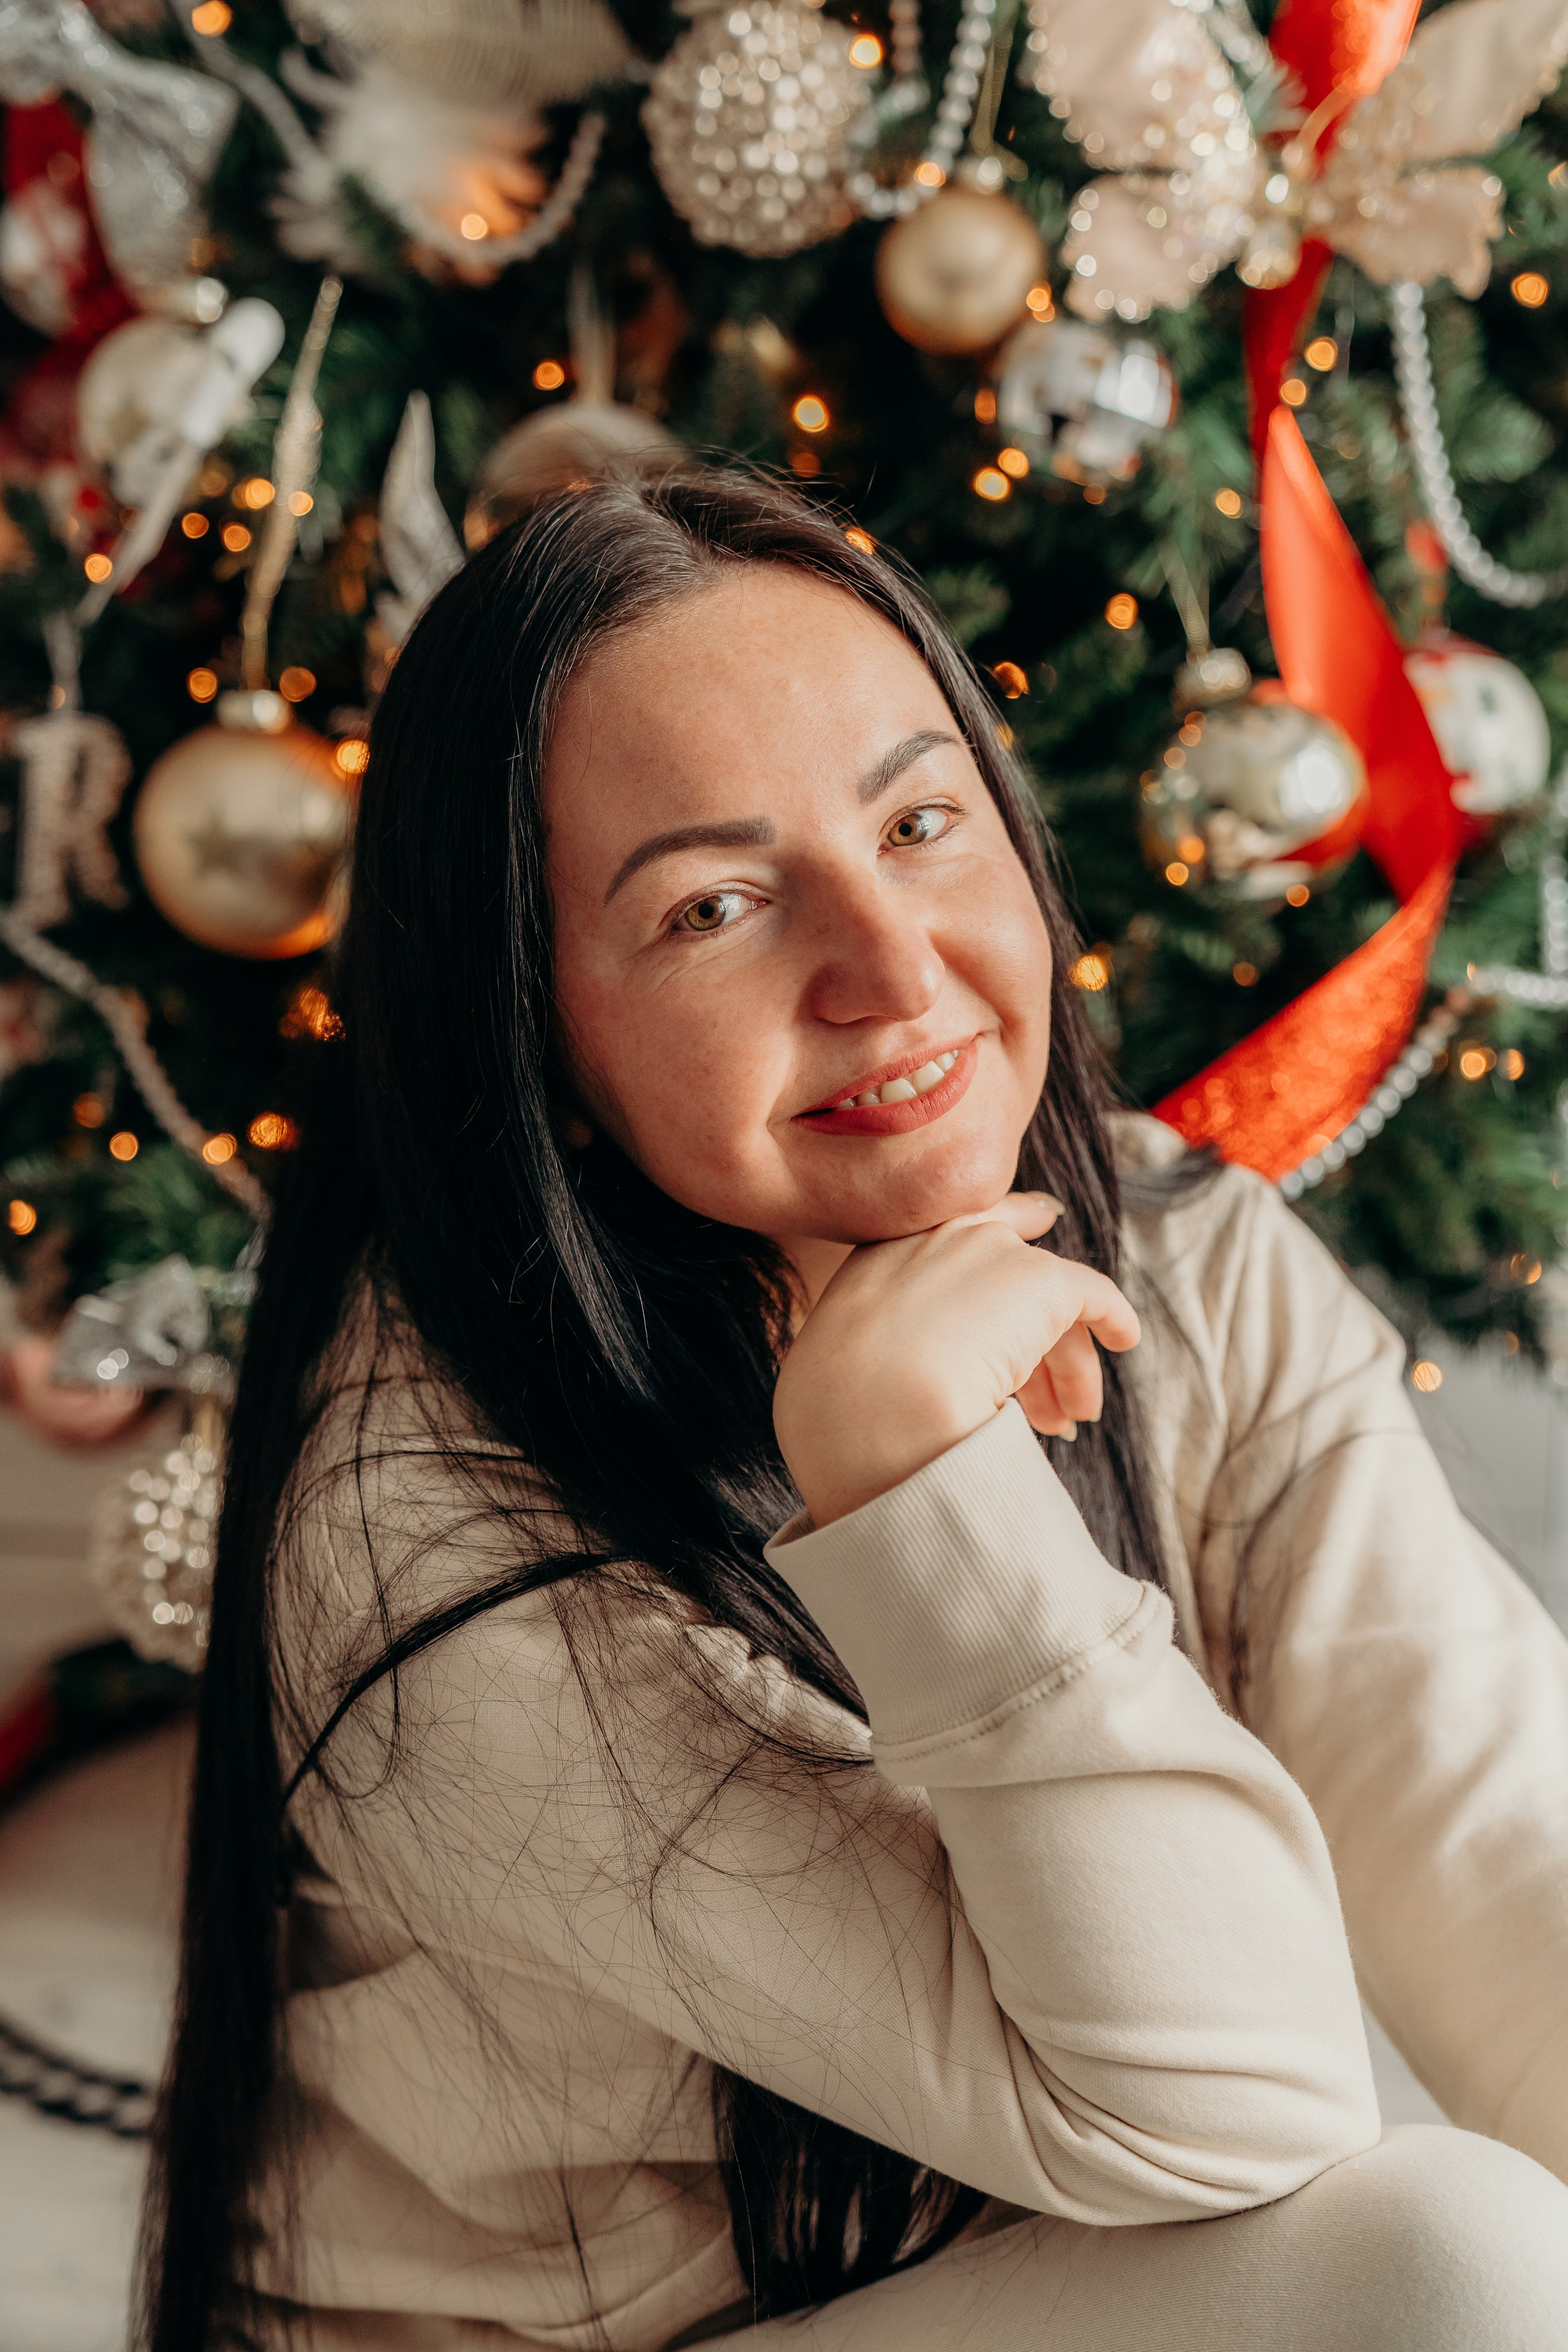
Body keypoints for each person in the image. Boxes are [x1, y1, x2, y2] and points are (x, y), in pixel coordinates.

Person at [145, 472, 1568, 2351]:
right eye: (716, 905)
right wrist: (921, 1476)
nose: (893, 972)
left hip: (984, 2270)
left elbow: (1494, 1856)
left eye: (920, 821)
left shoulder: (1169, 1249)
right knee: (1450, 2262)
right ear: (531, 1029)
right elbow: (1232, 2108)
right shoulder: (419, 1536)